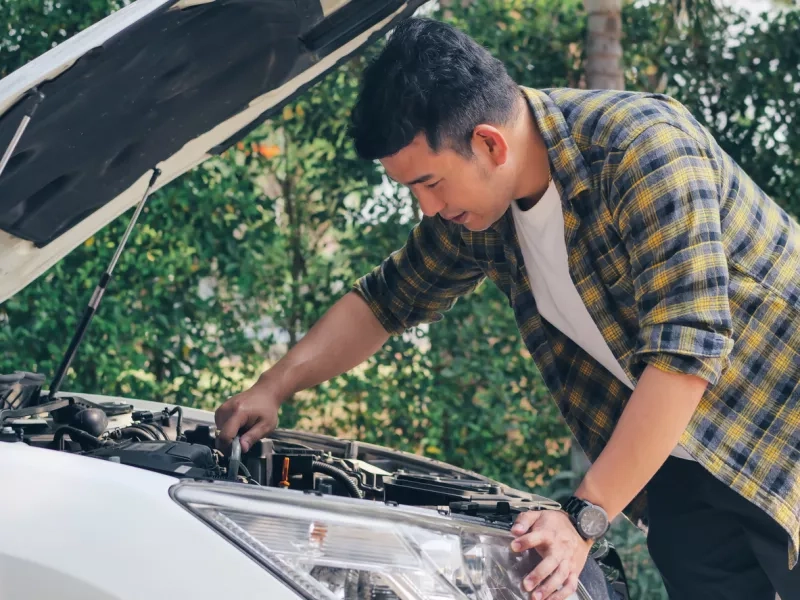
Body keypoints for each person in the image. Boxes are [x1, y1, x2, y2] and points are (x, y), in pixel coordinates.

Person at [214, 17, 800, 600]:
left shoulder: (641, 148)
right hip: (678, 471)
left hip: (782, 433)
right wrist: (274, 385)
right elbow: (383, 302)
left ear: (490, 143)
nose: (427, 208)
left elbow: (686, 351)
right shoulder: (483, 215)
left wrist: (582, 518)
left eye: (431, 183)